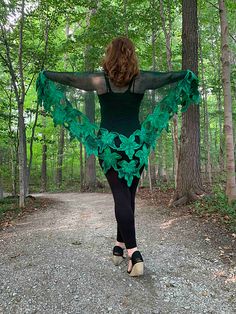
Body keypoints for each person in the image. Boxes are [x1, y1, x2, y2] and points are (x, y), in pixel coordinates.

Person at [37, 36, 200, 277]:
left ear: (109, 55)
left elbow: (71, 79)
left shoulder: (100, 81)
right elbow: (168, 77)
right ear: (132, 55)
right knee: (128, 196)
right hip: (136, 146)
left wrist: (47, 74)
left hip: (109, 147)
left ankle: (134, 253)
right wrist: (186, 73)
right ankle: (119, 246)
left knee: (121, 197)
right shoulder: (141, 79)